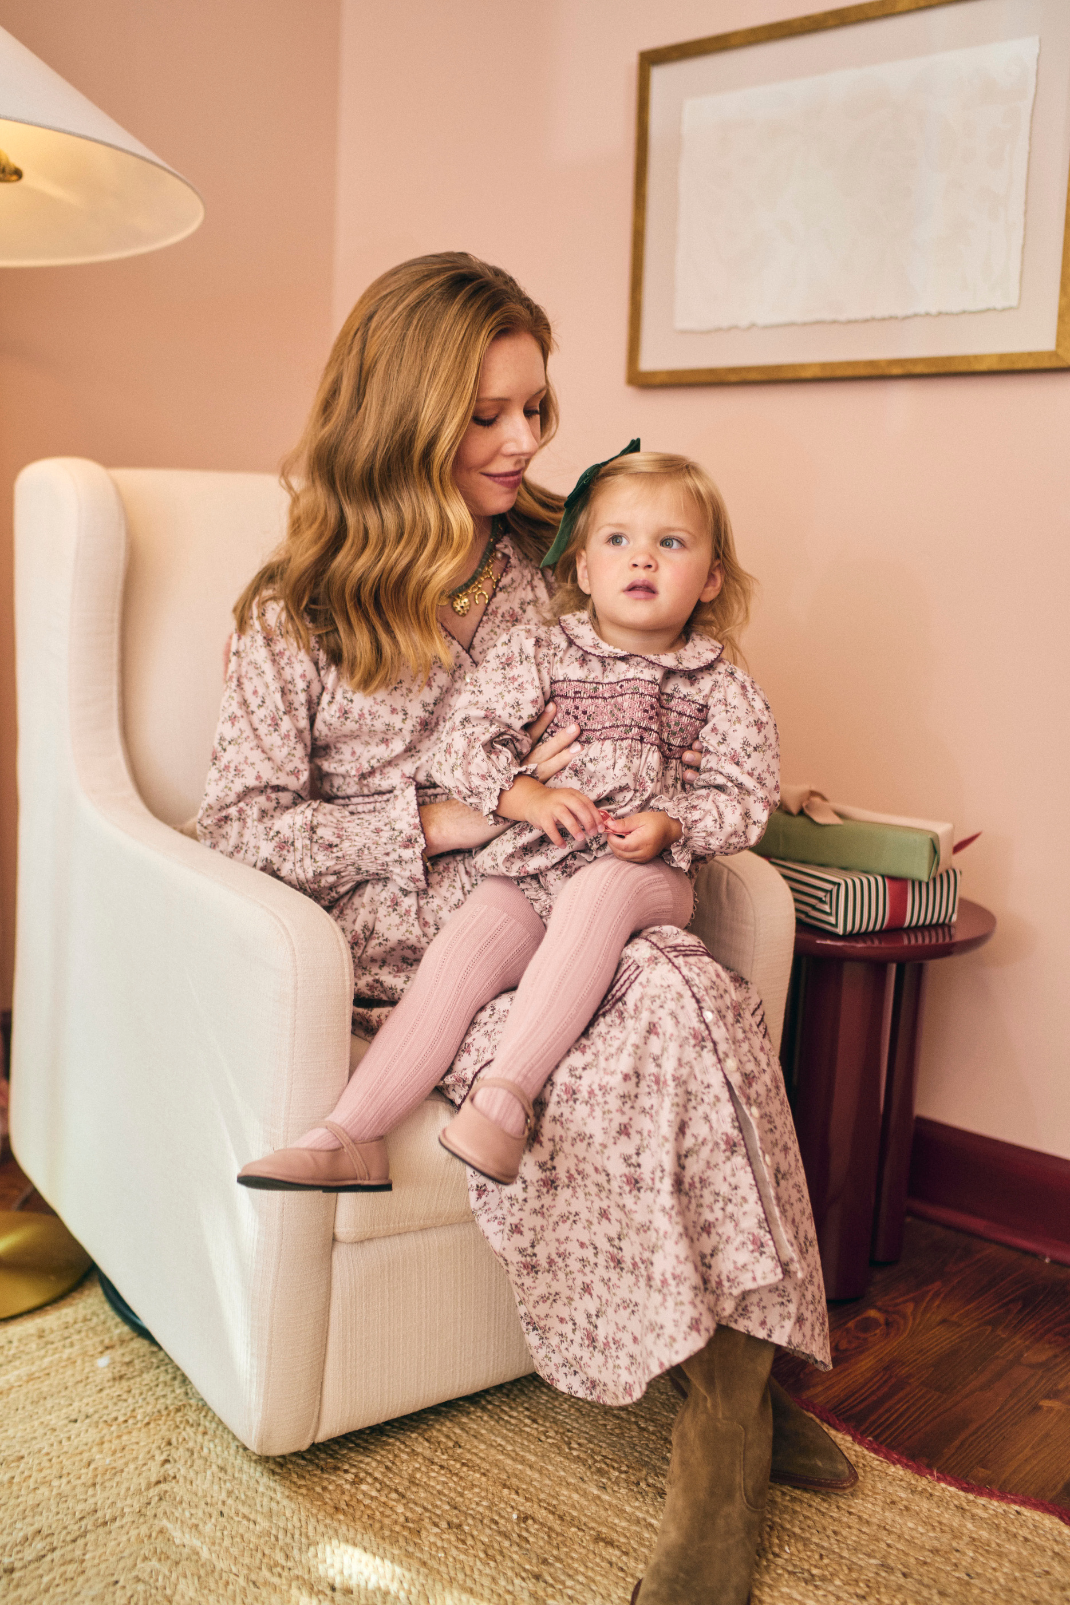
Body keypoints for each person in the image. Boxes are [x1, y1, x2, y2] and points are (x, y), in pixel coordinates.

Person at [198, 253, 852, 1605]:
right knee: (664, 1004)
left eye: (535, 408)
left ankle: (720, 1435)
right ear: (398, 412)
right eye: (486, 415)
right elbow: (241, 828)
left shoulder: (556, 552)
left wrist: (715, 789)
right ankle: (739, 1400)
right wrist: (434, 815)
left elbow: (669, 658)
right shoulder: (294, 611)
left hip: (586, 899)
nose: (521, 444)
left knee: (679, 985)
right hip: (430, 937)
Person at [236, 446, 773, 1192]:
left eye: (671, 543)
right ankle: (351, 1134)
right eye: (617, 540)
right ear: (583, 569)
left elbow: (745, 795)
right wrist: (524, 799)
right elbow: (465, 739)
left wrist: (671, 824)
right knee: (465, 947)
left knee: (599, 890)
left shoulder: (722, 687)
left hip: (644, 871)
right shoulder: (541, 650)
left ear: (711, 578)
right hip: (531, 859)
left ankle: (503, 1098)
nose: (642, 558)